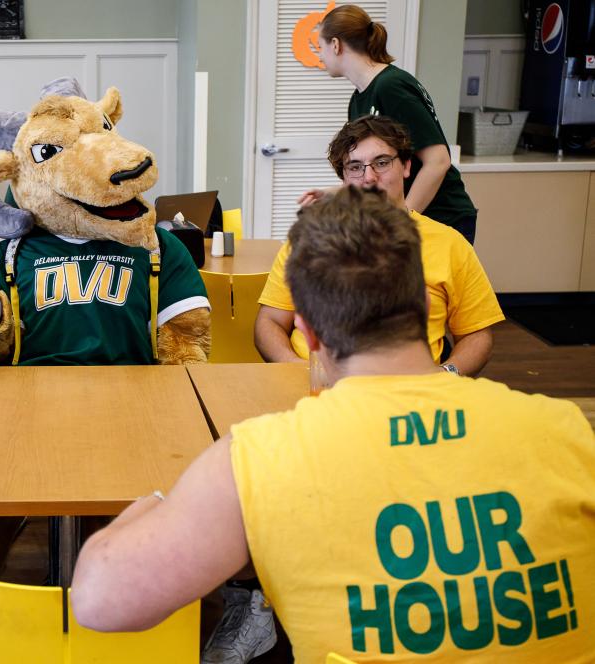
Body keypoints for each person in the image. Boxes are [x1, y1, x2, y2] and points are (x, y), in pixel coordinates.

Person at [70, 186, 595, 662]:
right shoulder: (566, 429)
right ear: (422, 302)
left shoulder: (257, 461)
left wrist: (166, 504)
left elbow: (97, 601)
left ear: (307, 331)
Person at [257, 115, 504, 377]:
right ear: (343, 178)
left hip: (408, 389)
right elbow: (270, 321)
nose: (369, 177)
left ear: (406, 166)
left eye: (382, 163)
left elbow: (477, 335)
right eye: (355, 167)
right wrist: (299, 369)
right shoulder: (312, 237)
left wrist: (446, 374)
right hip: (316, 386)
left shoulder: (449, 243)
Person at [307, 4, 478, 244]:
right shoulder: (358, 99)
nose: (320, 56)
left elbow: (438, 161)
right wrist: (333, 193)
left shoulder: (391, 87)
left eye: (320, 47)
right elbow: (373, 171)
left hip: (441, 216)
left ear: (335, 45)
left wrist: (402, 220)